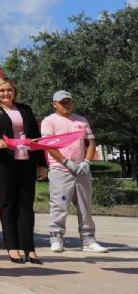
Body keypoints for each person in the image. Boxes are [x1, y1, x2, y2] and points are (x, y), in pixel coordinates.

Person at [0, 77, 47, 264]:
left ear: (14, 91)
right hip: (3, 161)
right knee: (8, 203)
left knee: (26, 204)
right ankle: (12, 248)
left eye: (9, 90)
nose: (6, 94)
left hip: (27, 160)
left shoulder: (25, 109)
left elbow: (36, 138)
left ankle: (30, 249)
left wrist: (42, 164)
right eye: (2, 91)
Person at [41, 90, 108, 253]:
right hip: (60, 170)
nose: (66, 105)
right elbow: (49, 145)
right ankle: (56, 239)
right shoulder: (49, 121)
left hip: (81, 170)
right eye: (62, 102)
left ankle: (88, 240)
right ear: (54, 104)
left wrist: (86, 162)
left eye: (69, 101)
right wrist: (65, 161)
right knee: (59, 205)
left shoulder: (82, 120)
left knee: (85, 206)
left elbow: (91, 143)